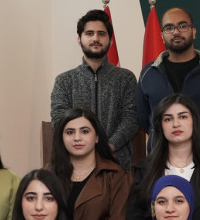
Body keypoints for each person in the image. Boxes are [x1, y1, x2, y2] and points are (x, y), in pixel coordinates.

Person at [136, 7, 200, 162]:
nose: (176, 32)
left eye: (182, 26)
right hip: (160, 164)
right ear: (162, 36)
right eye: (169, 28)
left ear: (194, 32)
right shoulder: (148, 73)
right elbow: (143, 118)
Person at [50, 9, 140, 170]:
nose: (95, 38)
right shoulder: (64, 81)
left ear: (110, 40)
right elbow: (59, 120)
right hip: (73, 164)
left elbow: (131, 119)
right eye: (89, 33)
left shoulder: (125, 78)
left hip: (116, 164)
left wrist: (108, 147)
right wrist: (85, 149)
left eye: (101, 34)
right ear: (79, 39)